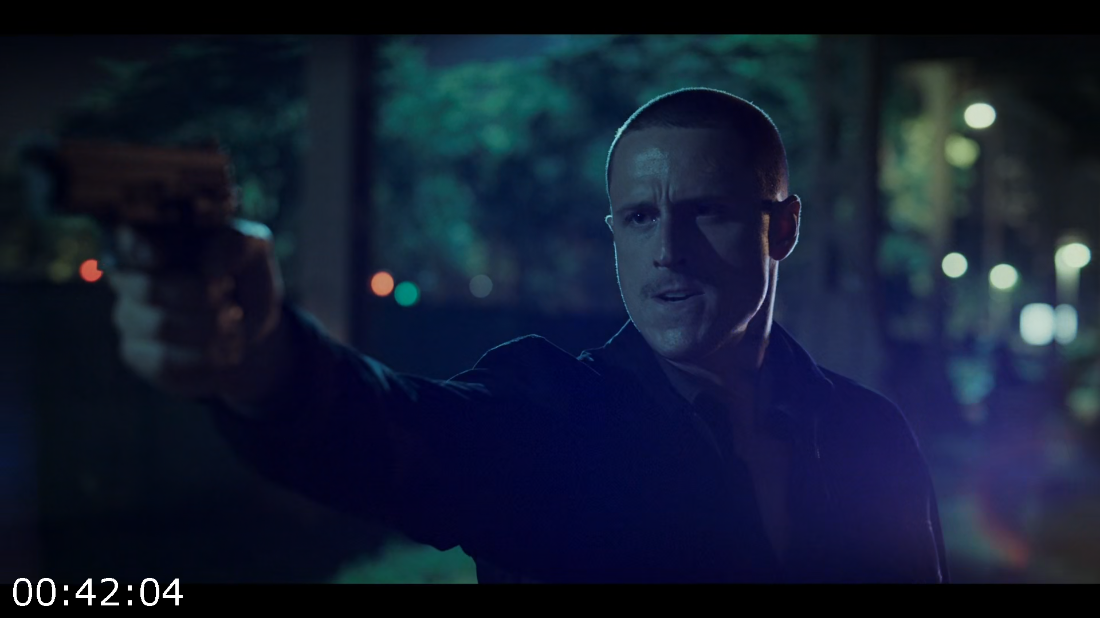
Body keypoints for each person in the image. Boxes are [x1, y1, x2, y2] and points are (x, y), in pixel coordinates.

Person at [105, 87, 949, 583]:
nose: (668, 250)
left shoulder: (868, 433)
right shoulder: (554, 412)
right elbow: (391, 431)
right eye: (639, 216)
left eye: (708, 212)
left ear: (783, 227)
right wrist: (260, 360)